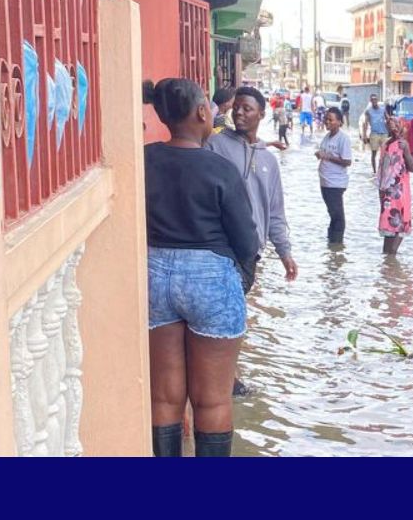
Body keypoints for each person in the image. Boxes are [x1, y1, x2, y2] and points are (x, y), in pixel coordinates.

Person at [143, 78, 260, 457]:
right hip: (211, 279)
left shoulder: (144, 158)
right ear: (200, 112)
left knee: (164, 397)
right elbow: (246, 239)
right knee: (212, 401)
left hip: (154, 274)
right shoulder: (220, 168)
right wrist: (243, 278)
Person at [207, 86, 299, 282]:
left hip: (251, 252)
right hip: (220, 249)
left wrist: (285, 253)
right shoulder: (215, 145)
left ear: (262, 114)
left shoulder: (269, 161)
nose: (239, 112)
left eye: (246, 108)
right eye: (236, 107)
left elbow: (274, 212)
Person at [378, 111, 413, 255]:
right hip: (387, 193)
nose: (392, 128)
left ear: (401, 127)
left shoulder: (403, 144)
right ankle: (389, 265)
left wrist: (406, 151)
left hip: (400, 192)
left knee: (400, 222)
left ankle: (392, 259)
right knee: (388, 227)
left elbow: (412, 167)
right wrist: (380, 191)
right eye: (389, 125)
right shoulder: (385, 144)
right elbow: (381, 169)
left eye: (395, 125)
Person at [316, 108, 353, 245]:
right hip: (325, 182)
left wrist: (328, 156)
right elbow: (327, 155)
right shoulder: (327, 137)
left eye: (330, 119)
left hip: (335, 183)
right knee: (333, 215)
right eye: (326, 119)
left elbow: (347, 161)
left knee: (337, 217)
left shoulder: (343, 139)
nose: (327, 121)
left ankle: (337, 246)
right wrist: (321, 154)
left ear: (339, 122)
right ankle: (332, 246)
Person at [362, 94, 388, 174]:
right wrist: (364, 135)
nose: (374, 101)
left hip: (384, 133)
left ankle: (383, 170)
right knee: (374, 153)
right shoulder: (368, 111)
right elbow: (365, 123)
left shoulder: (383, 110)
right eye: (372, 100)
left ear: (377, 100)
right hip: (374, 134)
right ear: (370, 101)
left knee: (385, 153)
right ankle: (374, 171)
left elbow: (388, 119)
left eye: (375, 99)